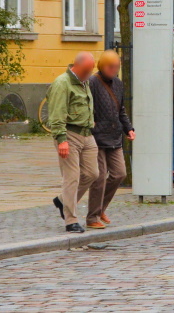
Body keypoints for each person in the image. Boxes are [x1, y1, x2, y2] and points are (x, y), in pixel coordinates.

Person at [48, 52, 99, 233]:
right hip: (69, 134)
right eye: (86, 71)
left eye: (91, 71)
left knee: (92, 173)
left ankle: (62, 200)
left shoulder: (85, 81)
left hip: (87, 133)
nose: (89, 74)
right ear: (76, 66)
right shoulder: (62, 83)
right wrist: (61, 139)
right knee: (72, 177)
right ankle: (71, 221)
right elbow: (57, 114)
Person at [85, 50, 134, 229]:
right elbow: (86, 106)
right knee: (99, 178)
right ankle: (92, 217)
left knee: (120, 173)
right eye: (111, 67)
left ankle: (101, 208)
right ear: (102, 66)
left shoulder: (118, 84)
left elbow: (121, 110)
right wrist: (90, 124)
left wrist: (129, 128)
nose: (114, 70)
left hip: (114, 136)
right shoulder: (92, 82)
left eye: (117, 67)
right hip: (97, 137)